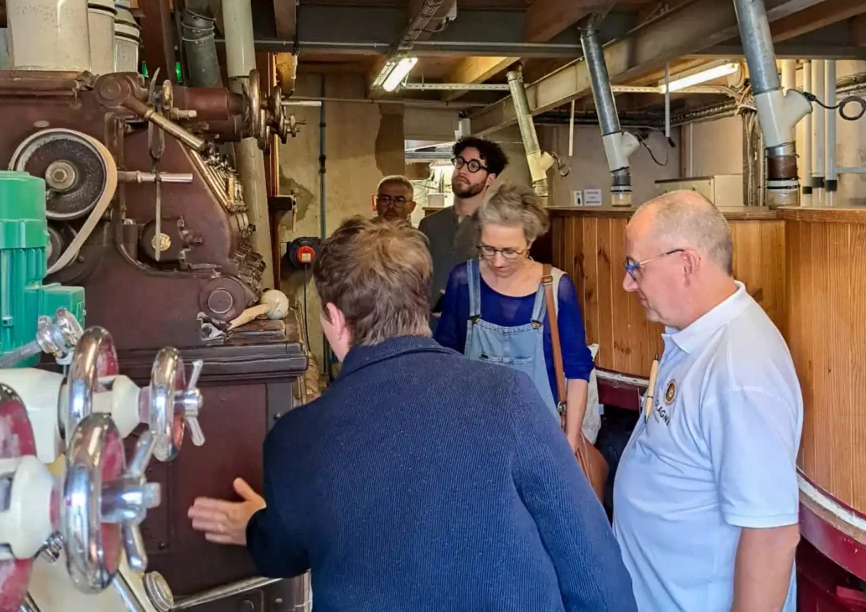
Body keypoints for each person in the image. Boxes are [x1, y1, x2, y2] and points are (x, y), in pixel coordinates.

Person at [187, 217, 637, 612]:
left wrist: (254, 526)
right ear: (422, 302)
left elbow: (282, 552)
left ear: (334, 320)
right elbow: (591, 561)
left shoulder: (297, 436)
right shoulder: (510, 397)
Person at [612, 190, 802, 612]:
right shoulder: (696, 337)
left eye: (635, 268)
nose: (627, 282)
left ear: (687, 263)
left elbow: (771, 536)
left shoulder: (741, 370)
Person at [434, 183, 593, 452]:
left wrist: (570, 439)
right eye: (488, 249)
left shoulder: (554, 288)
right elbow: (445, 358)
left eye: (509, 251)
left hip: (541, 434)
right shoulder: (463, 281)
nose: (497, 262)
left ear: (529, 242)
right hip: (474, 434)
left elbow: (577, 369)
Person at [419, 136, 508, 323]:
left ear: (490, 178)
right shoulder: (429, 224)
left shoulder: (499, 226)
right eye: (460, 162)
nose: (462, 170)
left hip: (479, 329)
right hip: (429, 331)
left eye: (474, 166)